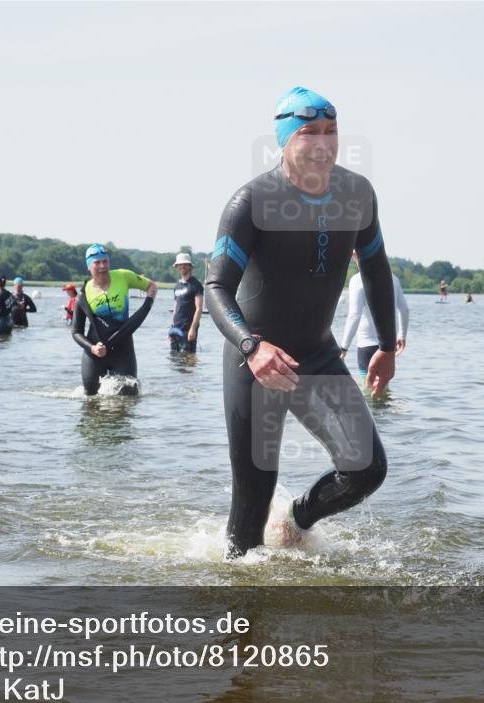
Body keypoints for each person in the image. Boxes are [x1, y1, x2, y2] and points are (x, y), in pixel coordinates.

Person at [204, 86, 396, 557]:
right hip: (255, 366)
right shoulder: (252, 201)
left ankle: (294, 521)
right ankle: (237, 597)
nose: (323, 144)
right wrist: (252, 347)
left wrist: (387, 346)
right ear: (284, 139)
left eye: (331, 131)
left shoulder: (357, 194)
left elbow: (375, 269)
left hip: (316, 356)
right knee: (249, 519)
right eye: (309, 132)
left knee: (366, 469)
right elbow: (216, 287)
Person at [72, 244, 158, 395]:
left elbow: (152, 286)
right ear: (89, 267)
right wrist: (92, 348)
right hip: (95, 352)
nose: (102, 266)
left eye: (105, 261)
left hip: (123, 349)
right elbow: (76, 332)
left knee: (129, 395)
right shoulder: (84, 294)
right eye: (97, 262)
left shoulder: (123, 276)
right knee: (90, 398)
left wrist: (148, 302)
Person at [340, 251, 409, 376]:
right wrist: (402, 336)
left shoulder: (357, 280)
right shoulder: (393, 279)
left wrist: (344, 347)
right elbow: (404, 310)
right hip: (388, 346)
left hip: (367, 345)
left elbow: (354, 316)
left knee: (368, 387)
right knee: (383, 385)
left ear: (355, 255)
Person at [168, 252, 204, 353]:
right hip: (175, 330)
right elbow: (175, 307)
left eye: (185, 264)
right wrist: (171, 328)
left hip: (188, 330)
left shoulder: (196, 285)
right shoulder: (177, 286)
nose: (182, 266)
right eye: (180, 264)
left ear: (190, 266)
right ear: (177, 267)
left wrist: (193, 329)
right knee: (174, 358)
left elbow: (199, 308)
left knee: (188, 358)